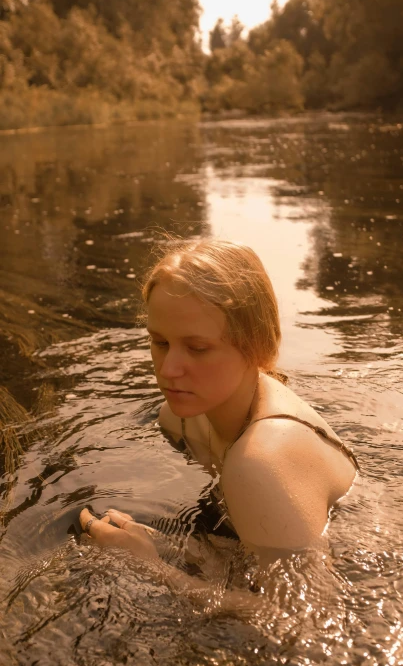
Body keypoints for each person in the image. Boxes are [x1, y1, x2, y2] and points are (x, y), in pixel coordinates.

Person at [79, 238, 358, 585]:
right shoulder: (180, 420)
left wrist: (153, 568)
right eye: (160, 342)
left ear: (257, 346)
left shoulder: (262, 461)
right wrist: (165, 546)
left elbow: (308, 626)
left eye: (197, 348)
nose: (168, 370)